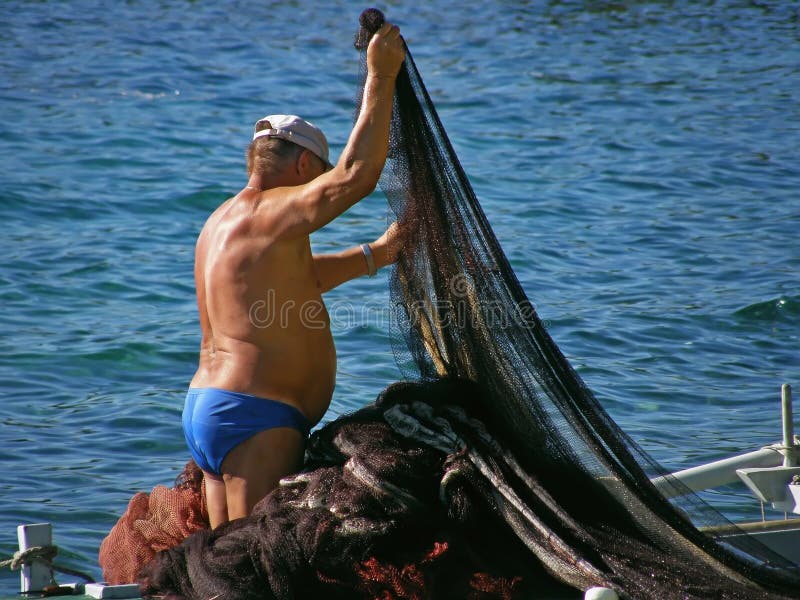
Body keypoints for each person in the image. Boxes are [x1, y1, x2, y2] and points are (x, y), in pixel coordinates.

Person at [181, 22, 406, 529]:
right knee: (254, 572)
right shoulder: (272, 210)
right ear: (305, 165)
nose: (323, 182)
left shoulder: (222, 222)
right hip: (254, 417)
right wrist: (380, 75)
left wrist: (378, 253)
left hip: (213, 407)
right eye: (320, 172)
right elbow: (357, 175)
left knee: (223, 570)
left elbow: (296, 280)